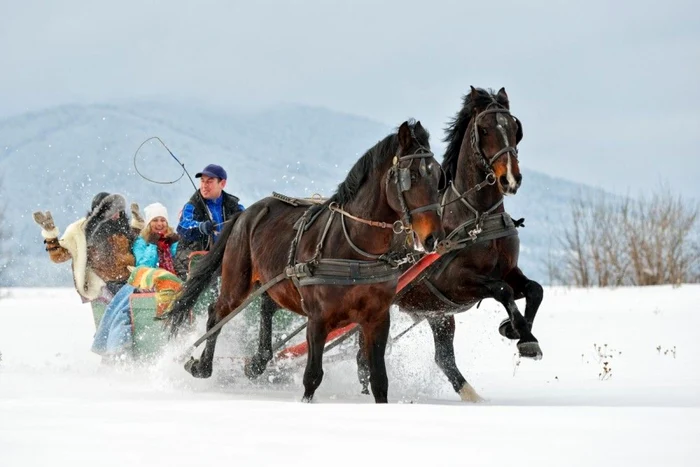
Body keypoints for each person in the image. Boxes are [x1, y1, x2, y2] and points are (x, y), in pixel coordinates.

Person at [33, 192, 140, 300]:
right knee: (126, 302)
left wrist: (139, 225)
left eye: (118, 210)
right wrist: (51, 235)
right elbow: (59, 256)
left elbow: (140, 246)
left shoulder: (123, 229)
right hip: (104, 287)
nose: (117, 214)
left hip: (129, 282)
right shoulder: (82, 231)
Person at [174, 164, 245, 279]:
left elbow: (247, 221)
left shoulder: (234, 206)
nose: (204, 186)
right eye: (202, 181)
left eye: (209, 182)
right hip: (192, 261)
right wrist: (201, 227)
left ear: (222, 184)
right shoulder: (192, 206)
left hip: (225, 258)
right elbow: (183, 227)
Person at [132, 202, 180, 274]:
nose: (159, 224)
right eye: (155, 220)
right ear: (149, 224)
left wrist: (174, 244)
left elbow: (180, 265)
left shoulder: (173, 240)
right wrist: (152, 243)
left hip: (172, 282)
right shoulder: (141, 241)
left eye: (163, 220)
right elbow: (143, 269)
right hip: (149, 283)